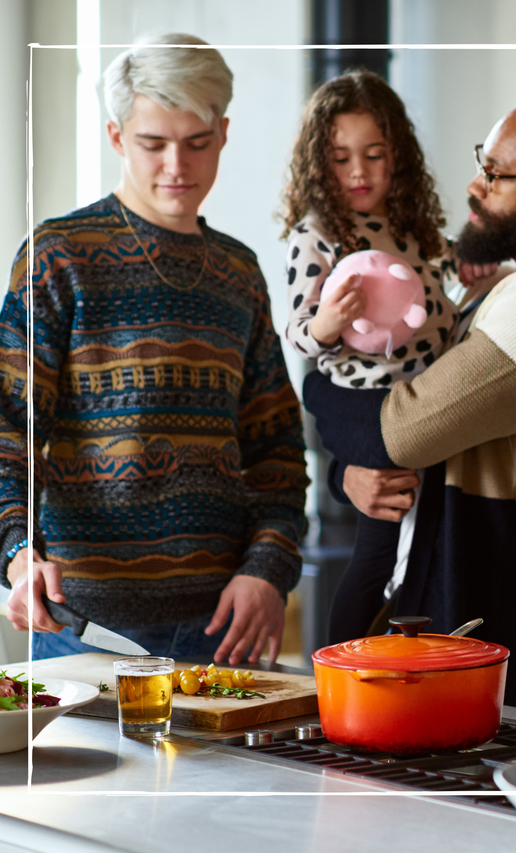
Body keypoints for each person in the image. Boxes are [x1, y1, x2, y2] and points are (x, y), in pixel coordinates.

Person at [0, 35, 309, 664]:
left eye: (196, 142)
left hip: (224, 630)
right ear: (116, 137)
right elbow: (8, 427)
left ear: (223, 133)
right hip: (81, 629)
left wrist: (268, 570)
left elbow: (277, 449)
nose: (177, 164)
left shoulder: (239, 272)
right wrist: (16, 553)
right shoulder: (59, 257)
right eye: (153, 143)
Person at [304, 96, 516, 709]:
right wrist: (351, 476)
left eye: (498, 173)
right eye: (484, 162)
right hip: (432, 602)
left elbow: (396, 429)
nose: (476, 186)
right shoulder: (510, 289)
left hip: (484, 624)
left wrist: (316, 382)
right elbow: (396, 433)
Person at [279, 71, 491, 643]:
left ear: (397, 155)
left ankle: (413, 657)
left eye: (374, 155)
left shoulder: (411, 226)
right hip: (368, 400)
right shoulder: (318, 233)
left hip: (428, 390)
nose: (358, 172)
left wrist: (470, 266)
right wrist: (327, 321)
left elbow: (449, 273)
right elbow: (299, 335)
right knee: (377, 551)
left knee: (422, 541)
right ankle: (338, 674)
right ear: (317, 162)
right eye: (341, 157)